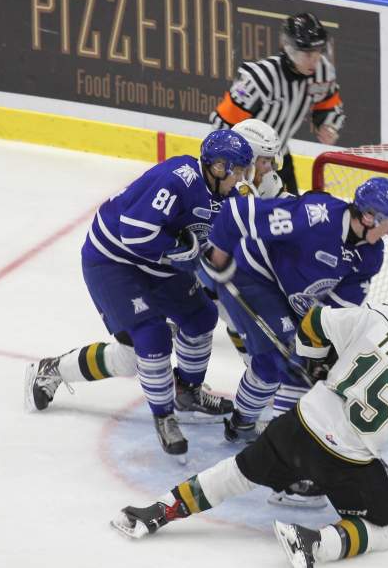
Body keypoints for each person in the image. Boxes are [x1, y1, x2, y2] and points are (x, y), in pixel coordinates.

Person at [111, 294, 388, 568]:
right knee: (384, 529)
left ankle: (159, 510)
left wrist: (315, 362)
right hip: (345, 459)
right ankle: (313, 542)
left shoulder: (381, 315)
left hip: (299, 425)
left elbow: (315, 321)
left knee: (237, 473)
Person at [23, 129, 253, 459]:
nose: (243, 178)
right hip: (114, 261)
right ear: (218, 168)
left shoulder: (228, 197)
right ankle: (161, 416)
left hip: (156, 264)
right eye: (239, 170)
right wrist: (180, 249)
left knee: (200, 317)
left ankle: (186, 391)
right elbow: (134, 235)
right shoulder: (177, 180)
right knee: (149, 338)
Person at [200, 175, 388, 446]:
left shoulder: (371, 255)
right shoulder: (315, 216)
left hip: (293, 299)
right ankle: (280, 446)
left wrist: (326, 350)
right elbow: (236, 213)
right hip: (253, 275)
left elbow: (338, 308)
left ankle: (244, 426)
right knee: (285, 361)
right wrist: (219, 254)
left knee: (299, 362)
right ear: (369, 217)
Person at [209, 12, 344, 197]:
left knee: (291, 217)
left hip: (280, 158)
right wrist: (228, 162)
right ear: (290, 49)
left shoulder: (322, 72)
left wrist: (328, 124)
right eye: (308, 53)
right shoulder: (260, 78)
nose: (315, 59)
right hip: (245, 161)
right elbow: (223, 122)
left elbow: (329, 103)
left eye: (319, 51)